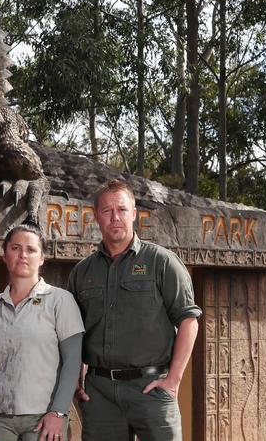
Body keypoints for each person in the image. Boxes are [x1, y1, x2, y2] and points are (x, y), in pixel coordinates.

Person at [68, 180, 202, 441]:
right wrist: (74, 379)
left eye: (121, 209)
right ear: (96, 217)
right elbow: (73, 332)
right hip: (100, 392)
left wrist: (173, 381)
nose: (115, 217)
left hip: (151, 388)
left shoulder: (161, 262)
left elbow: (189, 320)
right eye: (107, 211)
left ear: (134, 214)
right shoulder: (82, 272)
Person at [0, 224, 85, 441]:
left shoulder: (61, 301)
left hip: (43, 418)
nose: (23, 255)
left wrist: (59, 412)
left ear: (42, 258)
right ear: (4, 255)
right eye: (15, 248)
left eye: (31, 250)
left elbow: (72, 363)